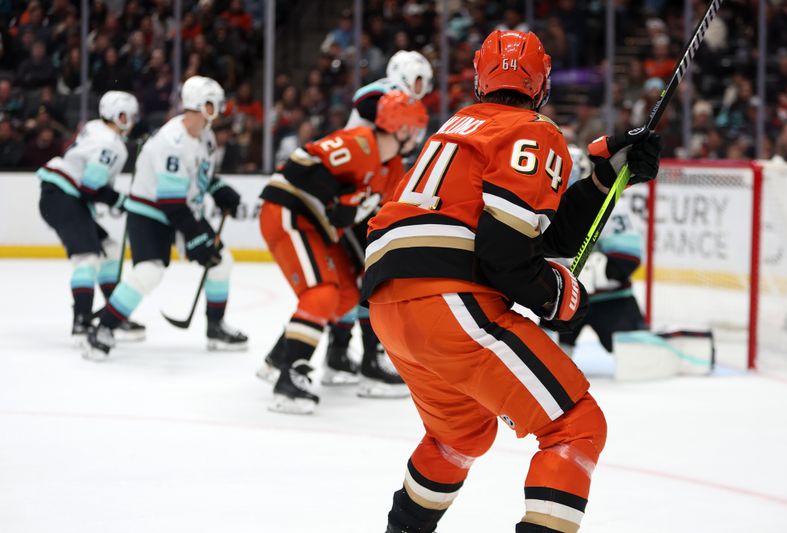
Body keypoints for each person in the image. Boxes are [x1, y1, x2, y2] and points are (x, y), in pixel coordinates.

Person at [361, 30, 661, 532]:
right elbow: (505, 255)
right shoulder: (534, 130)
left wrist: (602, 181)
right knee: (575, 424)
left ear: (480, 78)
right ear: (542, 84)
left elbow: (534, 238)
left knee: (457, 437)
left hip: (391, 307)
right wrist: (556, 295)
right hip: (450, 303)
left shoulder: (453, 129)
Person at [257, 90, 428, 414]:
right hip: (288, 212)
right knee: (321, 293)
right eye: (416, 129)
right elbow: (300, 164)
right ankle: (289, 377)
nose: (417, 137)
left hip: (318, 227)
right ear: (402, 128)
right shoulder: (360, 142)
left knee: (348, 293)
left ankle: (281, 354)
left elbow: (373, 220)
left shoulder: (390, 169)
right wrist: (335, 197)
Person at [84, 76, 248, 360]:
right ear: (199, 104)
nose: (218, 109)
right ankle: (102, 328)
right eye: (213, 104)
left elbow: (199, 177)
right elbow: (170, 200)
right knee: (149, 272)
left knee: (221, 263)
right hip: (150, 214)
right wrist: (195, 236)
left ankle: (215, 327)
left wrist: (222, 192)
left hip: (182, 211)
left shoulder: (205, 136)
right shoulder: (171, 141)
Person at [317, 49, 433, 395]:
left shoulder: (397, 109)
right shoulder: (379, 96)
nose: (421, 89)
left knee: (360, 280)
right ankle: (369, 357)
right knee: (373, 279)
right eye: (417, 80)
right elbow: (365, 100)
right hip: (357, 196)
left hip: (363, 195)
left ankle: (340, 353)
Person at [37, 91, 144, 344]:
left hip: (59, 196)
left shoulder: (95, 128)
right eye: (125, 115)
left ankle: (113, 314)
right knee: (88, 257)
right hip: (64, 197)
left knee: (109, 249)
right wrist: (121, 201)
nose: (130, 121)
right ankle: (82, 321)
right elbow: (90, 187)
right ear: (115, 115)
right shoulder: (112, 144)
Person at [543, 146, 647, 356]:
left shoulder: (610, 204)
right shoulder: (542, 205)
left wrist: (592, 272)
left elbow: (626, 260)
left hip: (611, 300)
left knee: (637, 356)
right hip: (563, 300)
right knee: (540, 359)